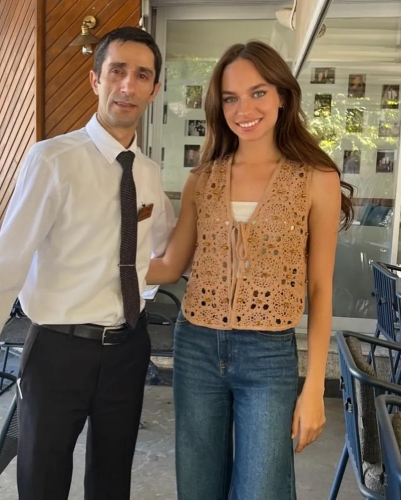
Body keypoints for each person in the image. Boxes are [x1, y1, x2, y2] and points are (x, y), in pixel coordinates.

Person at [0, 27, 175, 500]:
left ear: (154, 89)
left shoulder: (149, 174)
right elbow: (9, 260)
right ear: (96, 80)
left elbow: (164, 247)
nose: (127, 85)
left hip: (128, 349)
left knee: (112, 481)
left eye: (141, 75)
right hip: (58, 351)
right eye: (117, 71)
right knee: (42, 480)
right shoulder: (53, 159)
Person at [146, 40, 353, 500]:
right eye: (231, 98)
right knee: (198, 487)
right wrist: (102, 261)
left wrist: (314, 388)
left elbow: (321, 287)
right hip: (196, 346)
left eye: (258, 92)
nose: (245, 109)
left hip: (268, 354)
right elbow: (171, 266)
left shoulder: (317, 179)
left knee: (261, 489)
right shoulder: (203, 178)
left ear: (282, 95)